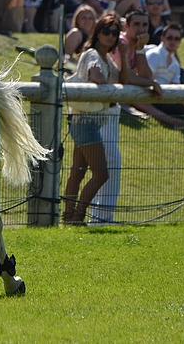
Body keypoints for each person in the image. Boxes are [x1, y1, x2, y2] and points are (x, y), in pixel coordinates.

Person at [62, 15, 126, 225]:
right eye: (106, 31)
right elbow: (97, 77)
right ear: (97, 33)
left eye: (114, 33)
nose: (110, 36)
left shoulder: (107, 58)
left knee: (78, 172)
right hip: (85, 121)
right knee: (101, 174)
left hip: (87, 120)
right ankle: (77, 217)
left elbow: (124, 78)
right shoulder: (92, 54)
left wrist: (124, 56)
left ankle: (68, 217)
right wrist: (108, 85)